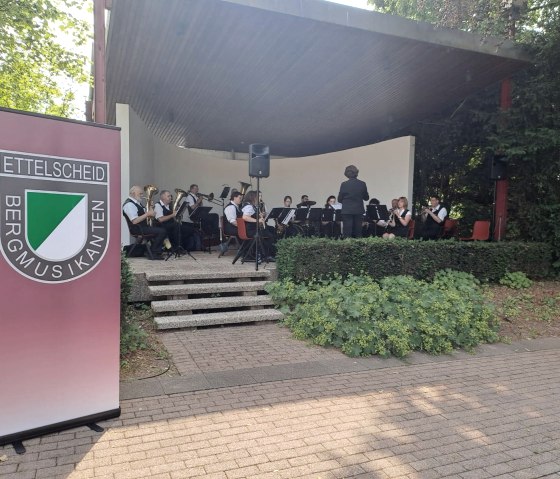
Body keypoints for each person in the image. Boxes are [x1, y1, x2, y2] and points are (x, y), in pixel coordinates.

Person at [122, 185, 166, 259]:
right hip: (137, 229)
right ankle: (153, 252)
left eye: (142, 194)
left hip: (142, 227)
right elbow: (134, 221)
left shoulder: (137, 203)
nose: (142, 196)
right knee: (162, 231)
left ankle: (154, 251)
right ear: (133, 193)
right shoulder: (129, 204)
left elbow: (149, 215)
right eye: (140, 194)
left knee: (161, 228)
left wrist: (151, 208)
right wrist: (147, 214)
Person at [242, 190, 275, 261]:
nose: (260, 198)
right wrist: (257, 220)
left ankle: (266, 254)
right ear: (253, 197)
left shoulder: (253, 206)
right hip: (250, 230)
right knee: (269, 235)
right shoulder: (249, 206)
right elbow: (245, 217)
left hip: (253, 228)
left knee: (270, 232)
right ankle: (266, 255)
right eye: (258, 196)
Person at [337, 165, 369, 238]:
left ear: (347, 173)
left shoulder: (344, 184)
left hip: (347, 210)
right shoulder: (362, 184)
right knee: (358, 231)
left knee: (347, 232)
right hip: (358, 210)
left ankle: (347, 247)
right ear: (356, 173)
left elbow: (339, 199)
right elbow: (366, 198)